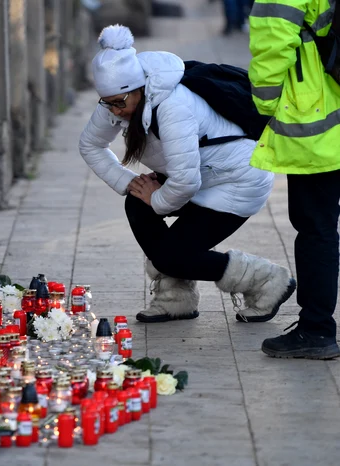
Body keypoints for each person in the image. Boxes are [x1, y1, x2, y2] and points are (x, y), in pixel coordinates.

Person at [79, 25, 296, 324]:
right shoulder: (119, 99)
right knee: (136, 203)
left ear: (139, 89)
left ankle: (266, 280)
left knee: (171, 255)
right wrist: (129, 182)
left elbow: (186, 182)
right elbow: (90, 145)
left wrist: (156, 199)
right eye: (108, 103)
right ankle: (175, 298)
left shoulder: (173, 107)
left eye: (119, 103)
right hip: (200, 175)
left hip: (236, 181)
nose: (114, 111)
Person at [248, 1, 340, 359]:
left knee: (315, 226)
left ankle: (316, 330)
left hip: (317, 117)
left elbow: (272, 46)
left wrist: (266, 107)